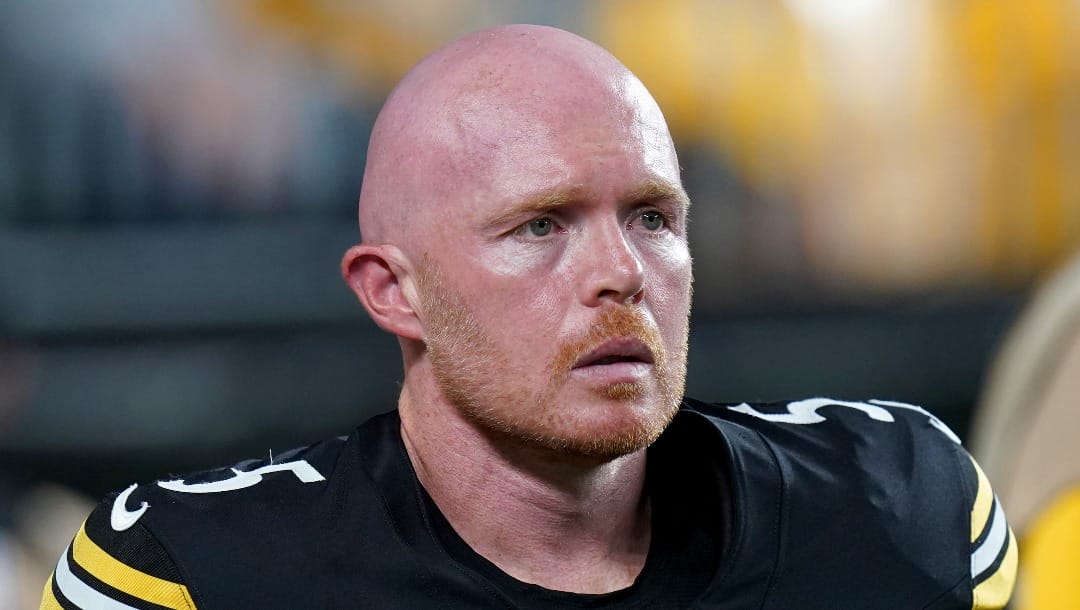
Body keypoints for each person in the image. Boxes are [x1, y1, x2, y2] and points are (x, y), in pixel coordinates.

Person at [41, 24, 1016, 609]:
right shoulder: (197, 573)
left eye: (652, 216)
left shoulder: (900, 510)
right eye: (540, 225)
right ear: (392, 290)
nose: (620, 273)